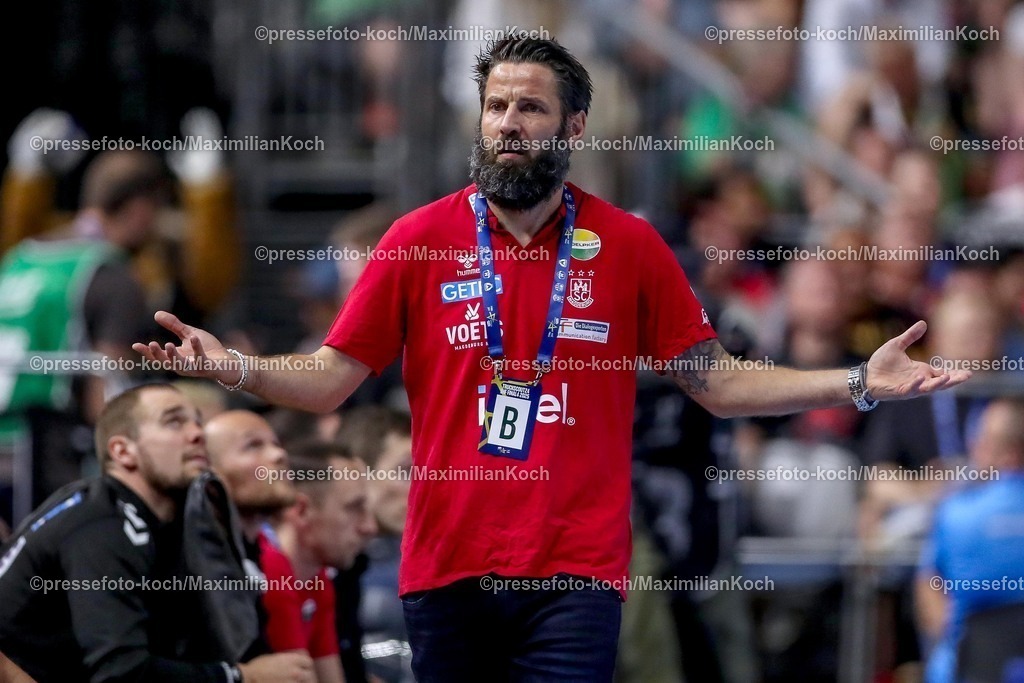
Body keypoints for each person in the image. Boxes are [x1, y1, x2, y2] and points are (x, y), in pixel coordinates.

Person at [134, 37, 970, 682]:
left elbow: (717, 382)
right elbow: (329, 380)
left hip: (576, 569)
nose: (506, 124)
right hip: (447, 564)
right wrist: (236, 369)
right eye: (495, 106)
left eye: (529, 108)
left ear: (573, 127)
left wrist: (858, 380)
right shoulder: (418, 241)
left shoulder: (632, 246)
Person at [0, 384, 314, 682]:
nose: (197, 434)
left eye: (198, 423)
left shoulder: (183, 524)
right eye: (174, 422)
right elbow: (120, 672)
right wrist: (244, 676)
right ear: (123, 451)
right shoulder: (97, 521)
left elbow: (204, 647)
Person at [915, 398, 1024, 683]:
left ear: (1010, 454)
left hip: (962, 668)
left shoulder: (955, 513)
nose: (974, 450)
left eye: (983, 443)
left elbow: (928, 588)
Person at [260, 442, 377, 683]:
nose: (369, 527)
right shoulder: (270, 569)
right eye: (354, 508)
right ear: (302, 511)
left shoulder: (318, 579)